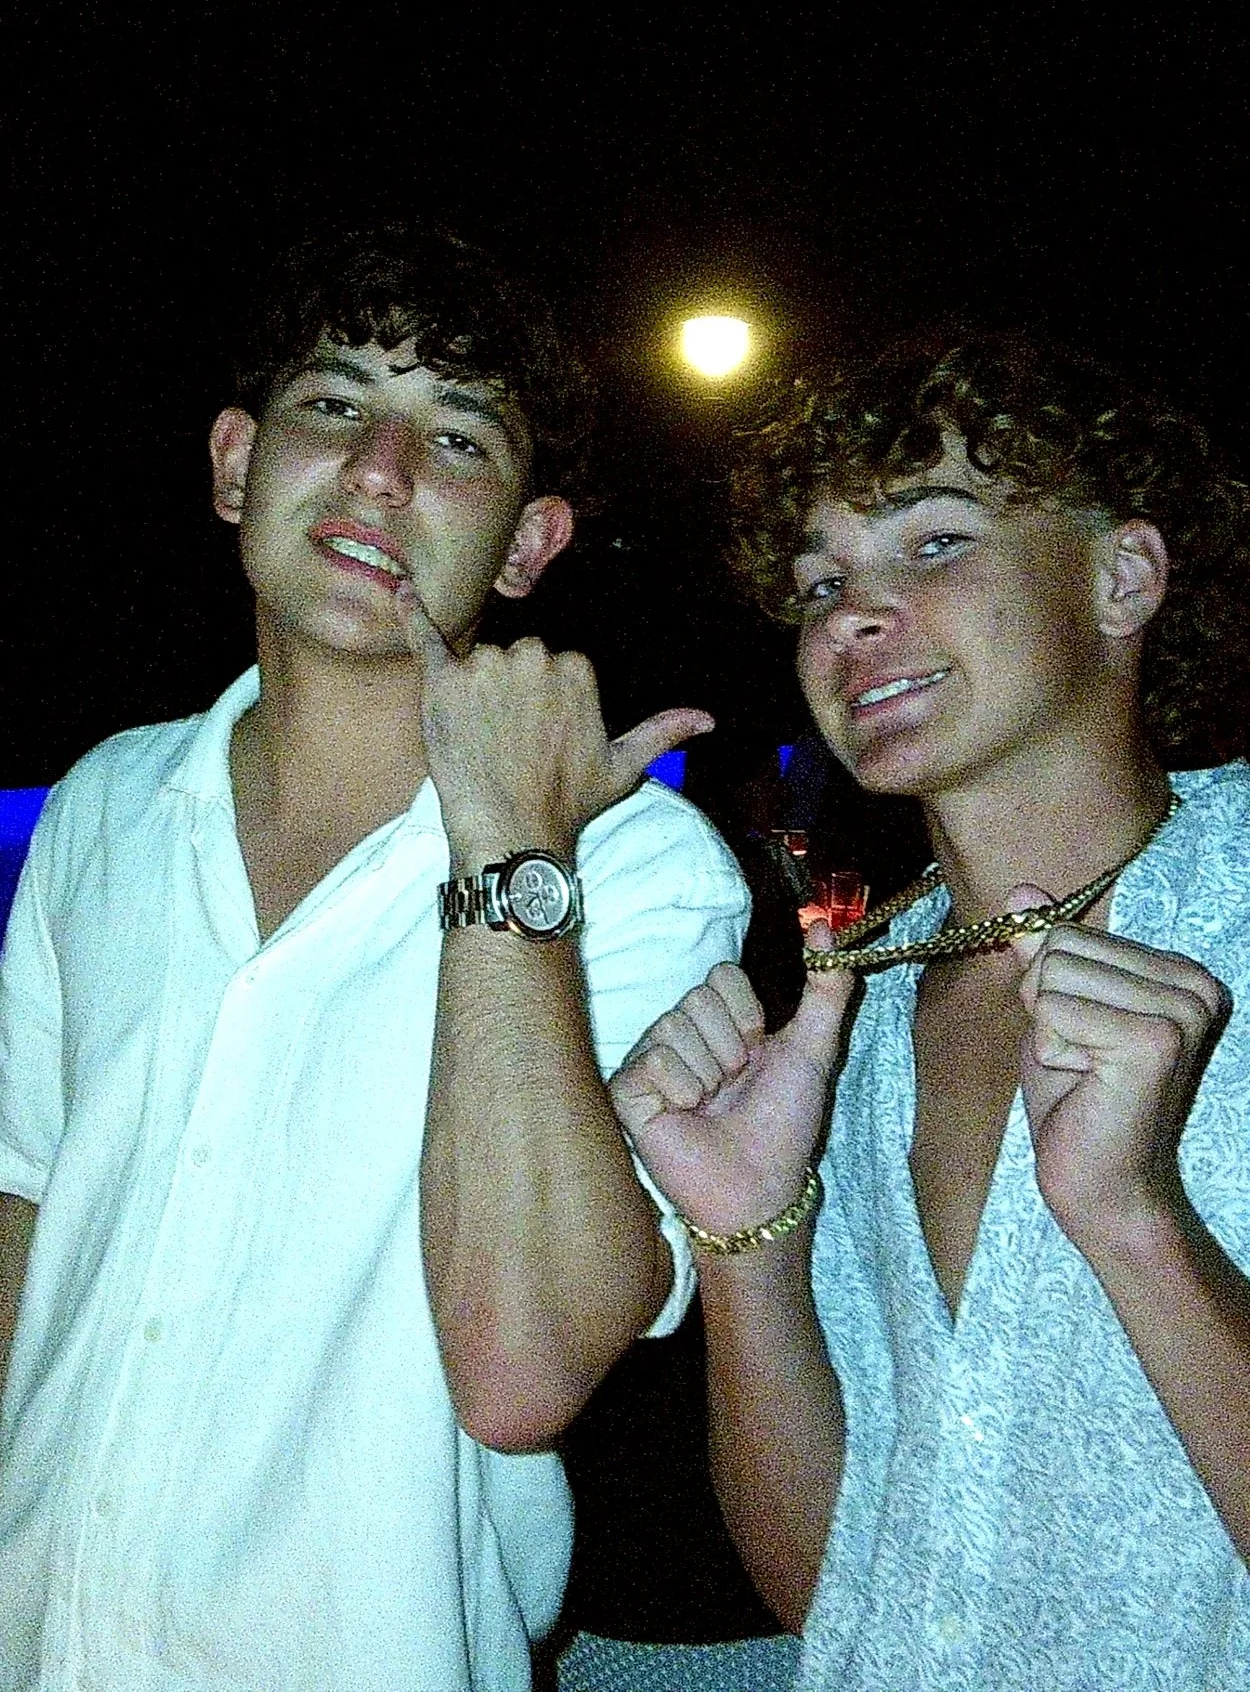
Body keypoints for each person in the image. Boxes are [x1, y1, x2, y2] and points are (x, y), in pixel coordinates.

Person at [0, 223, 749, 1692]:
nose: (381, 471)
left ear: (530, 544)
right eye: (333, 405)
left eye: (458, 438)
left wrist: (504, 853)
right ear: (232, 465)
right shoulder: (101, 808)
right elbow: (25, 1202)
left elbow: (524, 1363)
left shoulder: (636, 875)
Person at [609, 332, 1250, 1690]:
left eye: (935, 543)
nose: (847, 615)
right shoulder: (854, 1010)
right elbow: (826, 1587)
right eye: (822, 581)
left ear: (1120, 574)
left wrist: (1134, 1220)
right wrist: (743, 1242)